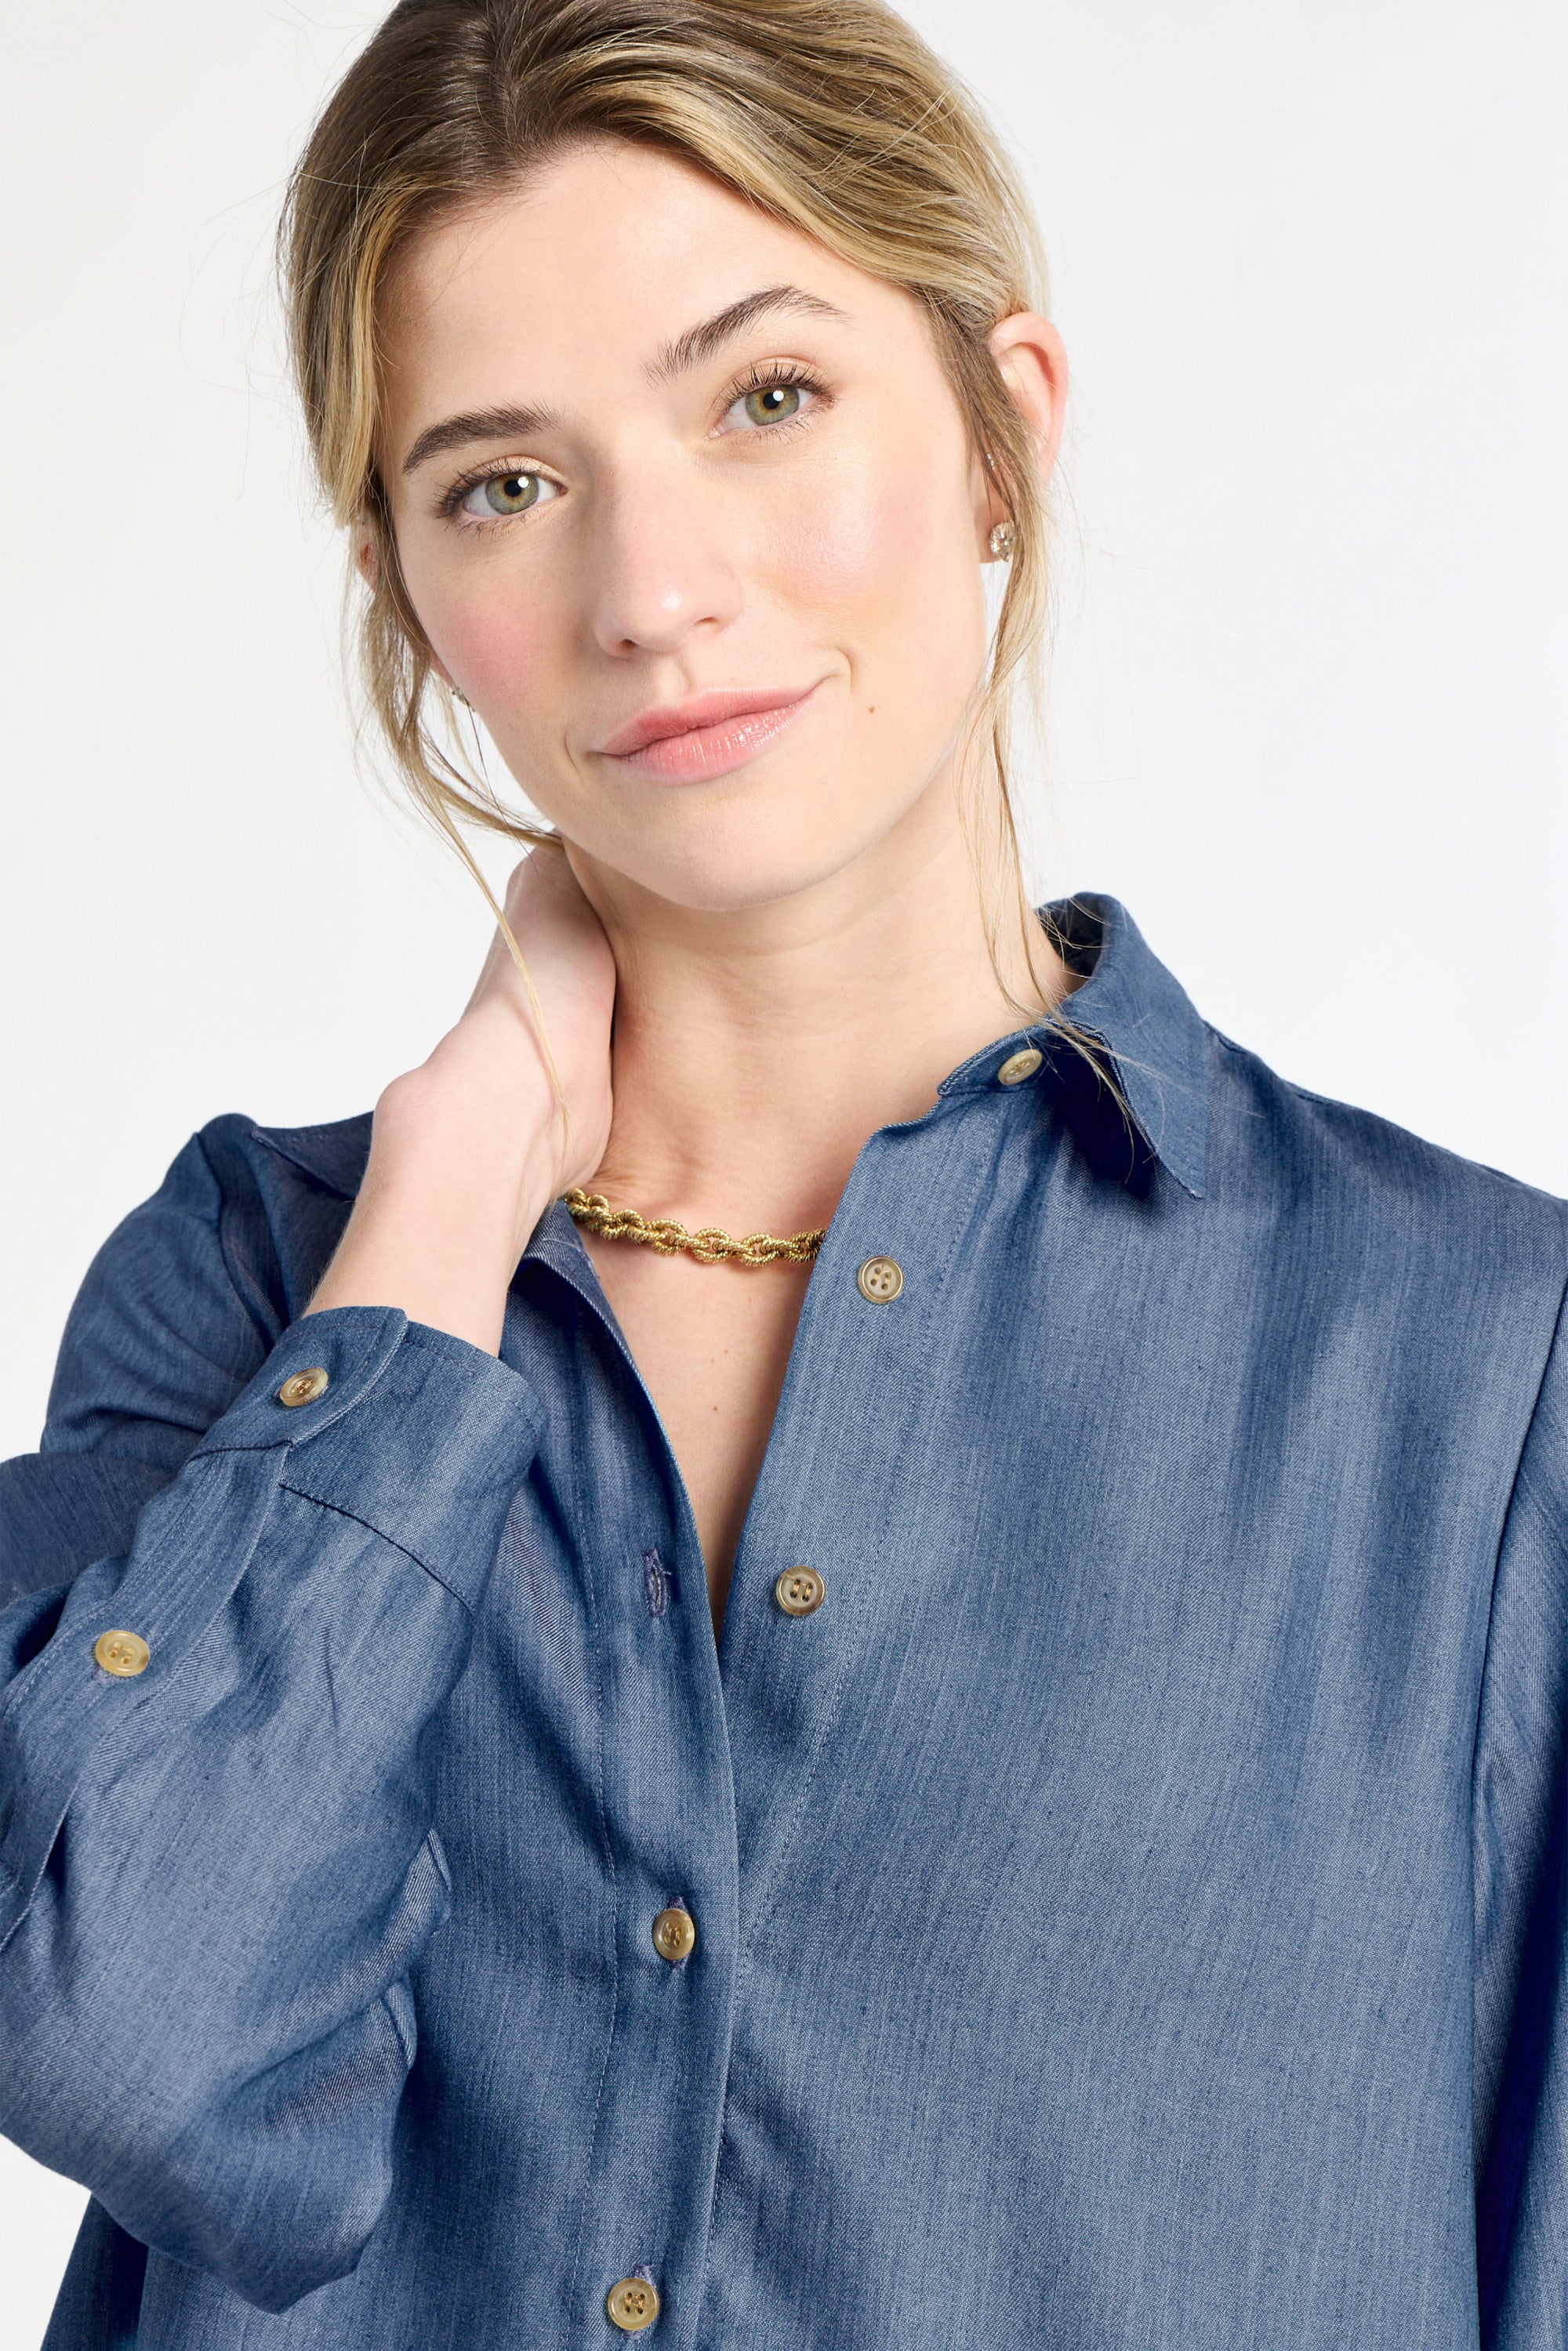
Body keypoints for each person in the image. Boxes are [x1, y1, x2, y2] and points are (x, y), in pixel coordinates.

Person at [1, 0, 1563, 2343]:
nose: (652, 591)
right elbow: (130, 2029)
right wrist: (438, 1215)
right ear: (407, 585)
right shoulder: (254, 1290)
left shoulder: (1475, 1369)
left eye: (766, 398)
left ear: (1005, 423)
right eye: (504, 482)